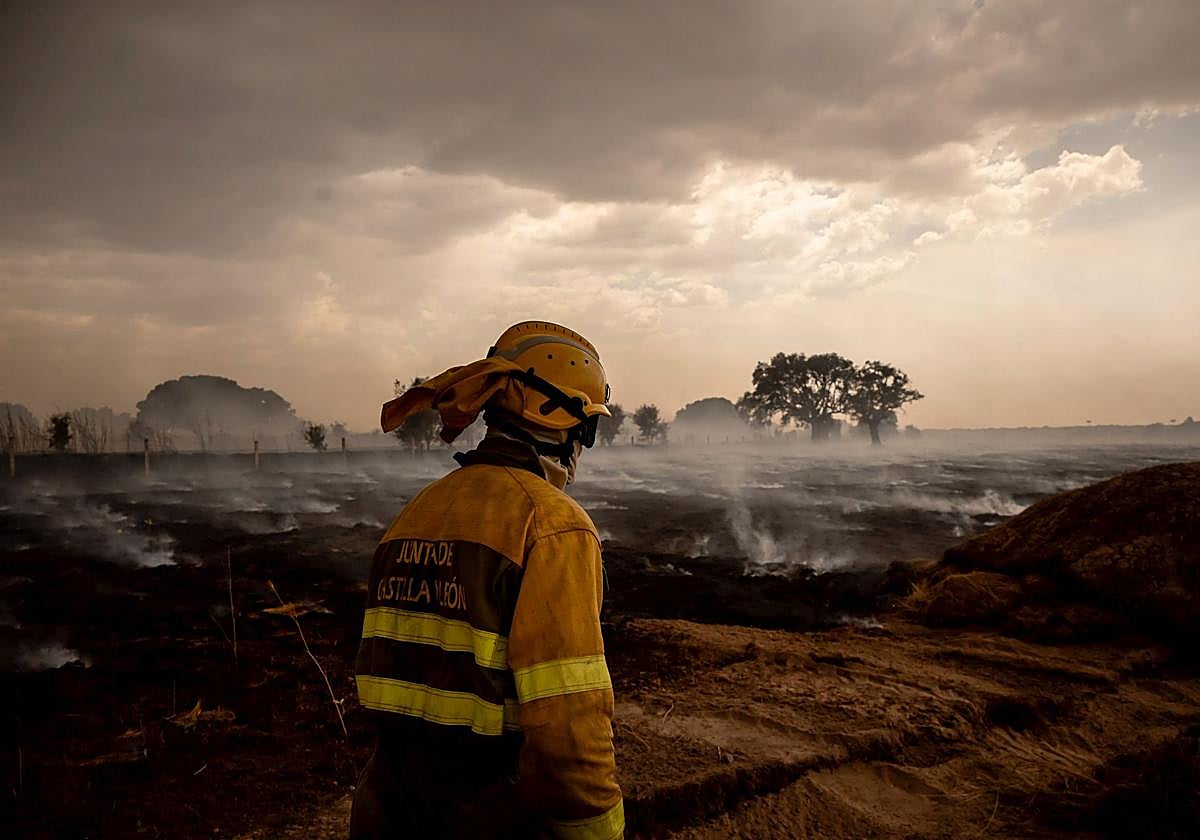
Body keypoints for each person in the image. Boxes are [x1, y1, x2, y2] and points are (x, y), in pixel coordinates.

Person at [350, 321, 624, 840]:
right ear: (570, 425)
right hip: (488, 814)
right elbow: (567, 724)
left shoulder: (419, 510)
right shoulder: (552, 524)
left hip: (384, 805)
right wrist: (597, 830)